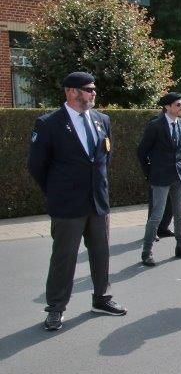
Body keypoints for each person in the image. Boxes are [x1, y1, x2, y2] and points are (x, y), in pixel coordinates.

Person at [28, 72, 127, 331]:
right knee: (64, 257)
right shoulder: (49, 123)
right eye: (88, 89)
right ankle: (56, 308)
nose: (94, 93)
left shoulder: (101, 120)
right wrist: (57, 192)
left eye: (94, 89)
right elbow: (37, 166)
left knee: (101, 252)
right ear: (71, 92)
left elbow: (104, 158)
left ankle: (101, 298)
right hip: (67, 205)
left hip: (98, 202)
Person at [137, 92, 181, 266]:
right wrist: (150, 172)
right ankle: (146, 252)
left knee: (180, 214)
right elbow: (142, 151)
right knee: (156, 215)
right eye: (178, 104)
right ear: (168, 107)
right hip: (160, 177)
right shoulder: (155, 125)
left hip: (179, 175)